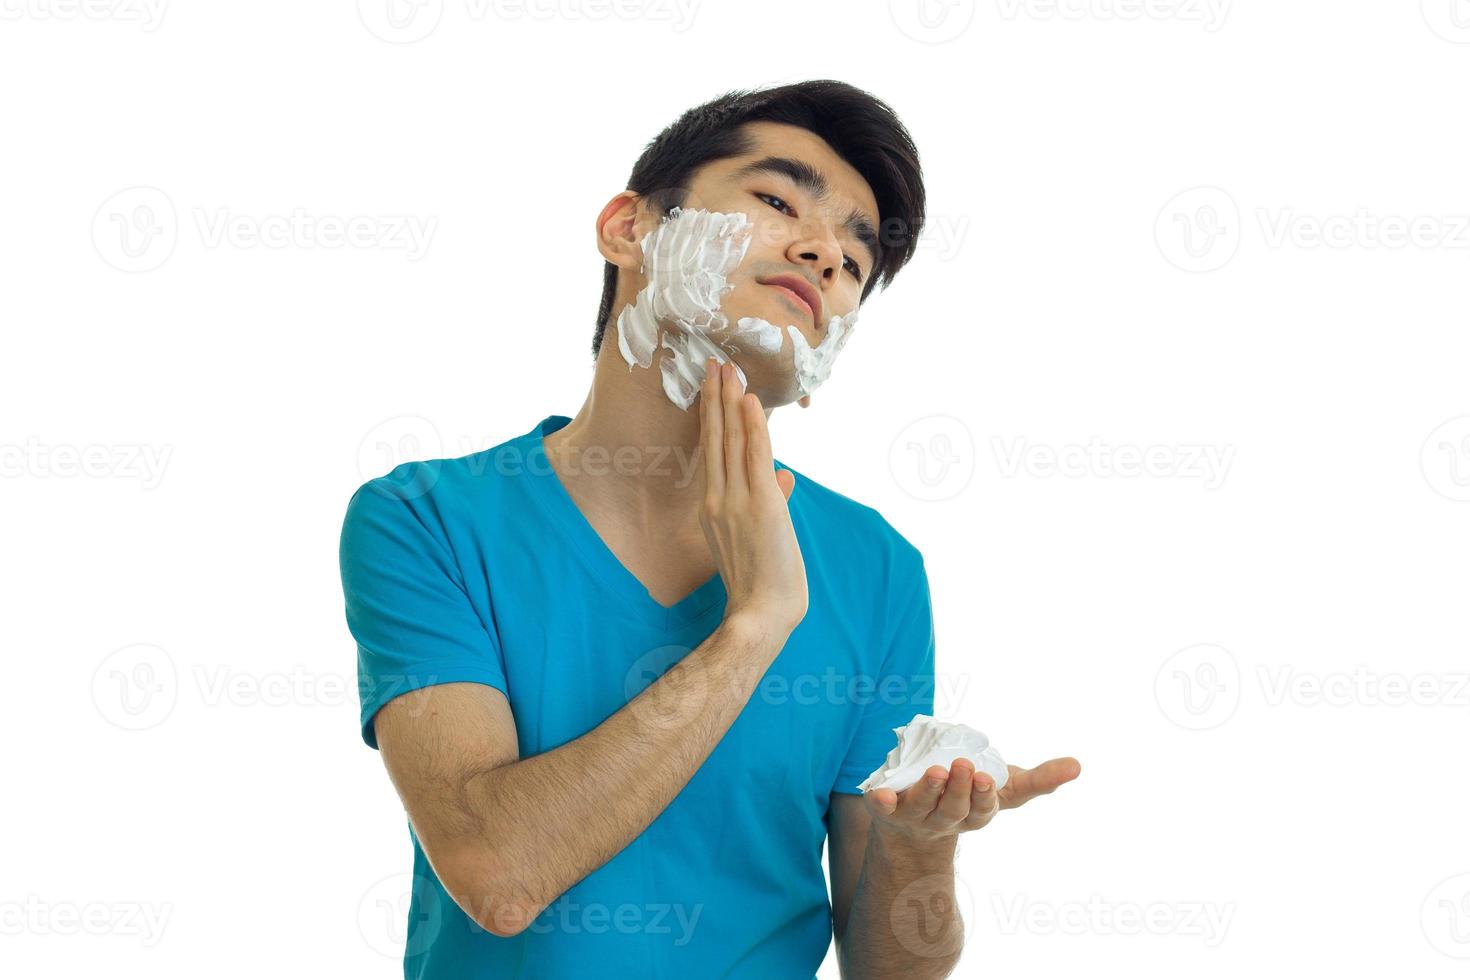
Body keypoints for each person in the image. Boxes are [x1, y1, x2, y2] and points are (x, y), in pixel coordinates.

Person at [338, 78, 1080, 979]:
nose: (820, 255)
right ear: (629, 228)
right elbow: (498, 874)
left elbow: (890, 969)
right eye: (777, 202)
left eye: (852, 261)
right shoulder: (427, 520)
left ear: (825, 358)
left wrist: (924, 847)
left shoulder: (877, 569)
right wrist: (756, 624)